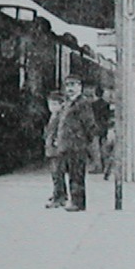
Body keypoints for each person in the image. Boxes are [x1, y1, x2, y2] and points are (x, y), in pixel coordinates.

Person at [44, 76, 98, 211]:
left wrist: (84, 141)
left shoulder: (82, 103)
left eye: (73, 85)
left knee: (77, 175)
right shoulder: (68, 103)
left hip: (77, 145)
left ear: (80, 87)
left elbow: (89, 124)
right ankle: (73, 200)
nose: (70, 88)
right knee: (70, 174)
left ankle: (78, 203)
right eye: (68, 85)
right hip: (67, 145)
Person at [42, 90, 67, 208]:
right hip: (51, 147)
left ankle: (59, 197)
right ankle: (60, 193)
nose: (51, 107)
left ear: (61, 104)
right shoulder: (54, 115)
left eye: (54, 104)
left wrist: (56, 141)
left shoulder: (61, 117)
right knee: (56, 172)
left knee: (57, 172)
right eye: (50, 104)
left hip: (56, 148)